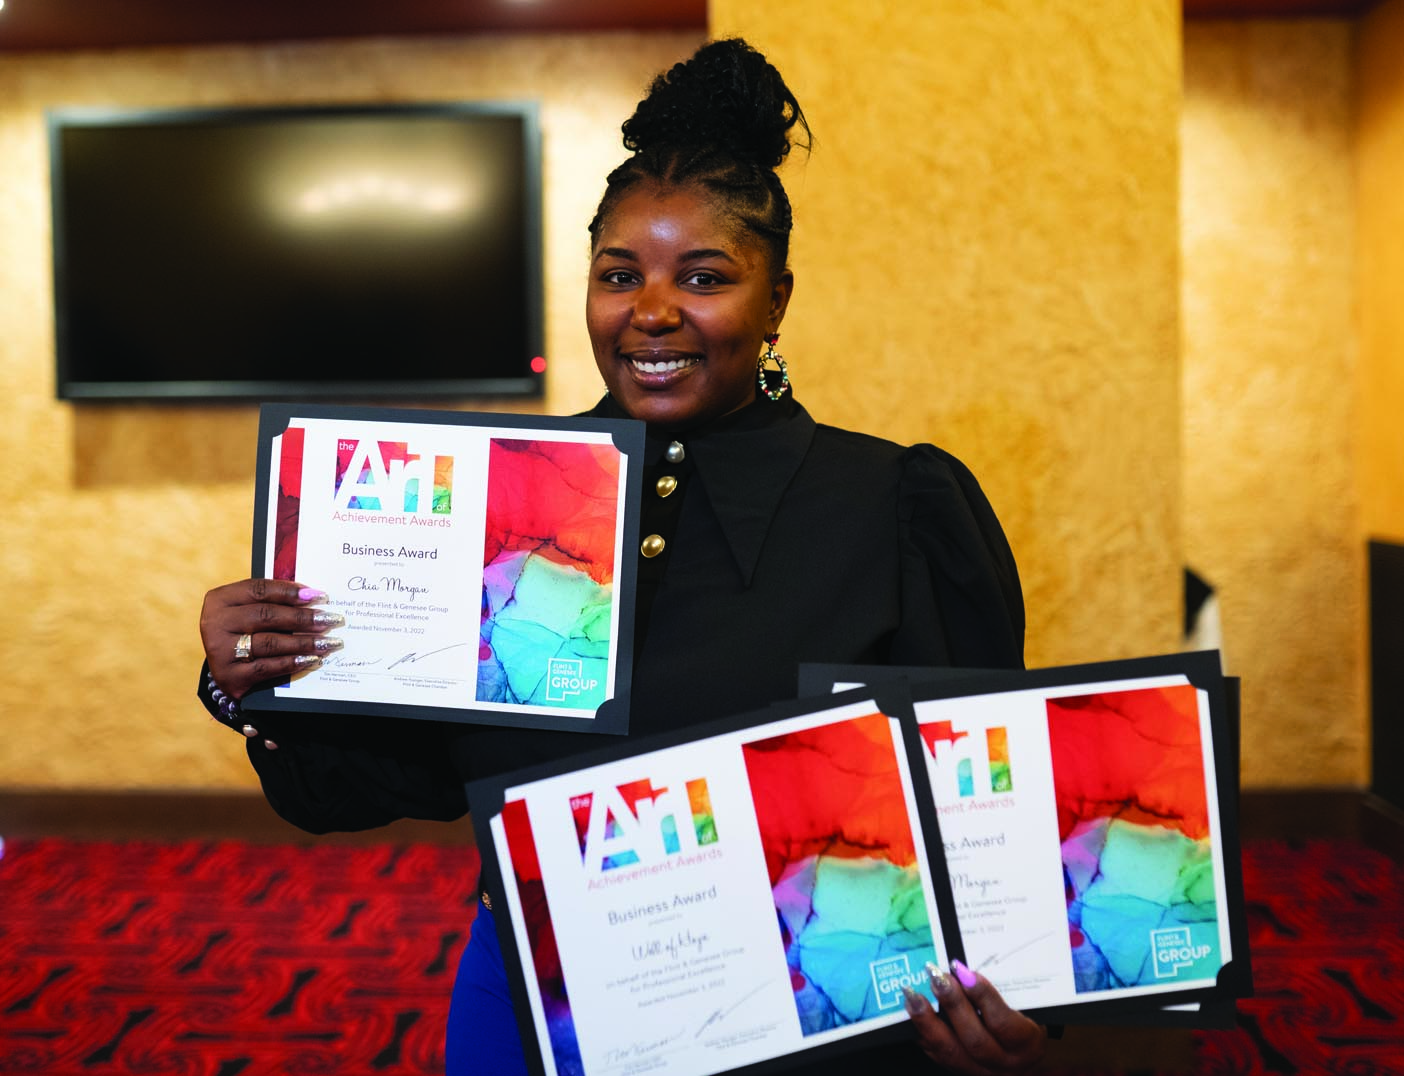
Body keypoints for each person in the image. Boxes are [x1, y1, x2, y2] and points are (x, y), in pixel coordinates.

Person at [198, 38, 1045, 1075]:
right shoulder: (503, 503)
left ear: (777, 299)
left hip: (803, 1025)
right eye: (619, 275)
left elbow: (974, 812)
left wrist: (1015, 994)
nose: (651, 311)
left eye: (704, 277)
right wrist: (258, 676)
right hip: (532, 1002)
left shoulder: (894, 506)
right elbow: (385, 780)